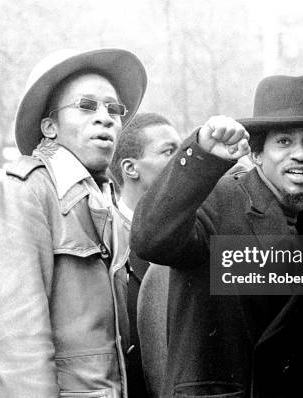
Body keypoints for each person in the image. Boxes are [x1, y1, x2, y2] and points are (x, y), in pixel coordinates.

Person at [131, 74, 303, 398]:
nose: (302, 154)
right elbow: (151, 239)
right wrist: (202, 156)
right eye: (284, 141)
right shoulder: (221, 200)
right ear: (257, 154)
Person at [0, 48, 147, 397]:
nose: (106, 118)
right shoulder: (23, 191)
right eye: (86, 106)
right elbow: (14, 345)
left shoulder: (102, 195)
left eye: (114, 109)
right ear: (49, 127)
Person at [110, 112, 181, 397]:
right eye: (168, 151)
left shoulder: (194, 230)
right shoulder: (106, 241)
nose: (182, 160)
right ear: (130, 168)